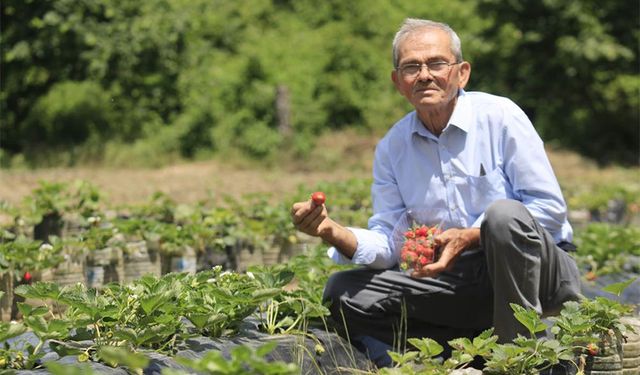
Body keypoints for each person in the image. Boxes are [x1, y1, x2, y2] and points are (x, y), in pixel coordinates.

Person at [290, 18, 581, 366]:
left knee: (503, 217)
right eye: (411, 67)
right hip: (457, 283)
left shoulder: (500, 117)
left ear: (462, 73)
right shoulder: (392, 148)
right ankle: (450, 359)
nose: (424, 75)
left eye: (437, 63)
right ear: (398, 82)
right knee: (343, 292)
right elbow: (389, 245)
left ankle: (523, 358)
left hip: (537, 276)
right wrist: (332, 231)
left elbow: (548, 210)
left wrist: (472, 236)